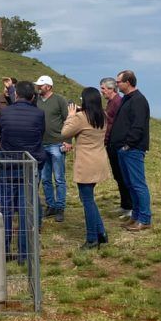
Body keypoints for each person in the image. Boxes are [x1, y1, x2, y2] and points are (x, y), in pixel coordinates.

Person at [0, 80, 46, 264]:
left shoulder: (4, 112)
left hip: (8, 166)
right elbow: (40, 134)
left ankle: (4, 249)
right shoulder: (39, 114)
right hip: (28, 166)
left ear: (15, 94)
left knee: (6, 209)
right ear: (33, 96)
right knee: (26, 209)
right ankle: (24, 254)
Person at [62, 87, 112, 249]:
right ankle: (101, 233)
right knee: (88, 199)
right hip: (99, 161)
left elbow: (64, 133)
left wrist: (71, 116)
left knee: (87, 200)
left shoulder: (80, 117)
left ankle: (92, 239)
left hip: (86, 163)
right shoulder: (102, 115)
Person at [108, 70, 152, 231]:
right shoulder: (127, 99)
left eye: (118, 82)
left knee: (138, 184)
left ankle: (145, 218)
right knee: (130, 184)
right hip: (123, 149)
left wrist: (128, 144)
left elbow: (138, 125)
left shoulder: (138, 100)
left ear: (128, 82)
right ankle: (135, 216)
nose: (116, 84)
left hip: (132, 149)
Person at [34, 75, 70, 222]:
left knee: (59, 178)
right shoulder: (35, 100)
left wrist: (67, 140)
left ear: (48, 86)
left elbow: (69, 119)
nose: (38, 87)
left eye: (41, 85)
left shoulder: (59, 100)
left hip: (57, 143)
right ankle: (51, 205)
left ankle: (60, 207)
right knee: (45, 178)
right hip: (41, 144)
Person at [100, 76, 131, 220]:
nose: (102, 92)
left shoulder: (117, 102)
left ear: (111, 89)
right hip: (111, 143)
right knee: (118, 176)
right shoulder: (111, 103)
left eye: (103, 89)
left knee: (123, 176)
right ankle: (125, 205)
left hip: (117, 143)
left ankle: (129, 207)